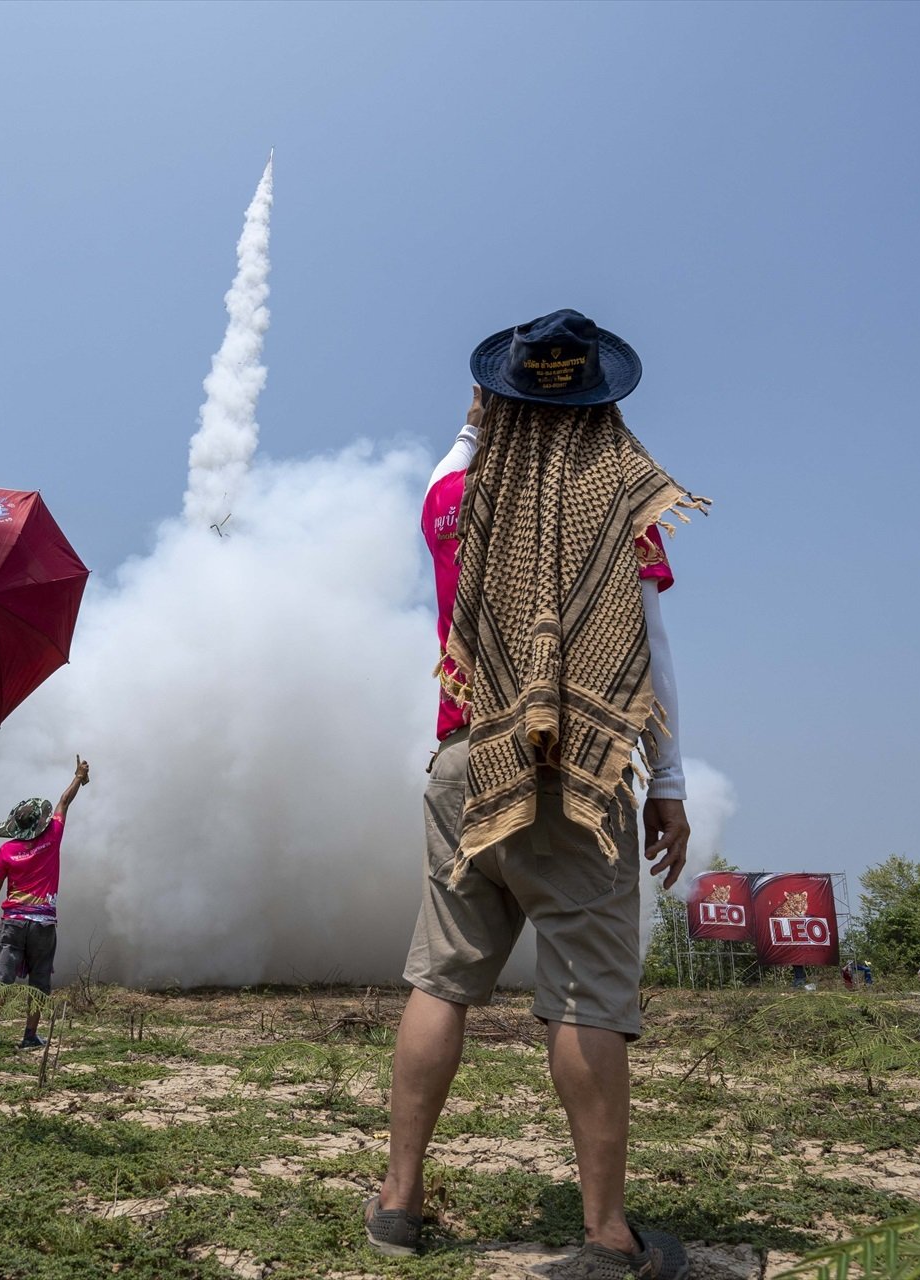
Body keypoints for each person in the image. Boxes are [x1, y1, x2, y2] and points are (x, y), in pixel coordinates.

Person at [367, 311, 703, 1277]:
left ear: (494, 399)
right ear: (596, 404)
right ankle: (605, 1236)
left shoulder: (448, 493)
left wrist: (477, 419)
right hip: (577, 772)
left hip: (465, 757)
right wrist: (667, 780)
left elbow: (454, 456)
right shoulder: (613, 498)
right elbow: (647, 648)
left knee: (442, 979)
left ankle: (399, 1200)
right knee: (589, 998)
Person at [0, 757, 90, 1049]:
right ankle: (29, 1036)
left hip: (13, 922)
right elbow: (64, 802)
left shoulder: (6, 850)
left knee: (0, 977)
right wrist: (79, 776)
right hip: (43, 924)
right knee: (39, 979)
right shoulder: (52, 835)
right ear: (40, 822)